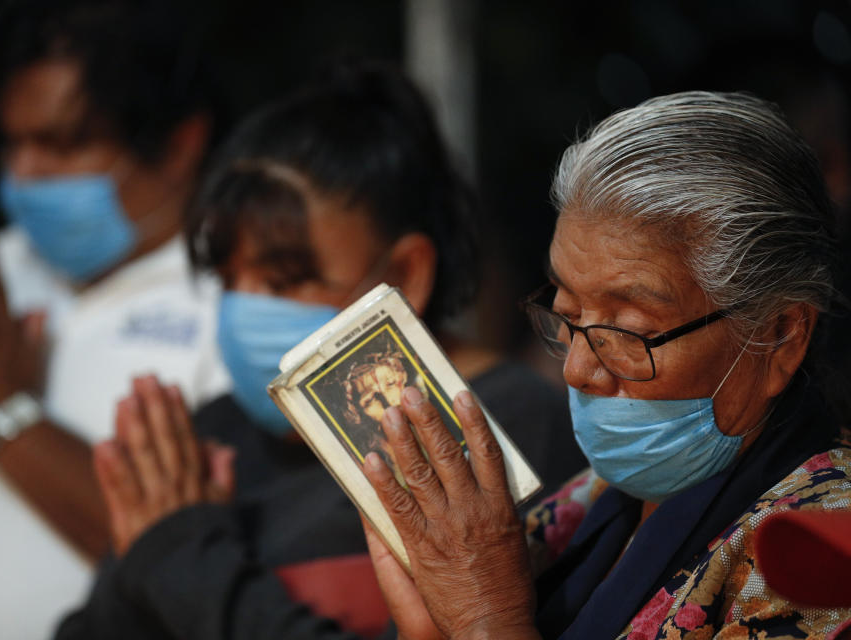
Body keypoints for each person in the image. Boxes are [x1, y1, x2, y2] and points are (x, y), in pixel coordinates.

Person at [55, 61, 582, 639]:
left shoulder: (500, 429)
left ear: (406, 272)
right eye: (228, 279)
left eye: (283, 281)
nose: (244, 307)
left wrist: (181, 559)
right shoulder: (209, 438)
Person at [357, 91, 851, 639]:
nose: (576, 369)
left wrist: (485, 619)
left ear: (781, 335)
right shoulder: (589, 499)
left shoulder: (822, 554)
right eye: (568, 315)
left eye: (629, 332)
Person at [0, 0, 230, 637]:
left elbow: (196, 569)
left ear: (181, 143)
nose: (25, 172)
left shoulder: (239, 301)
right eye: (12, 142)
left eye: (63, 143)